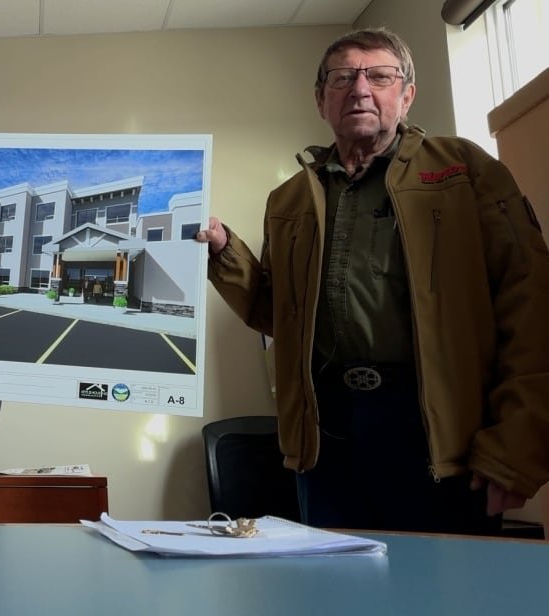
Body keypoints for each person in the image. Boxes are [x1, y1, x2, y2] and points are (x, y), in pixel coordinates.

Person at [198, 28, 549, 535]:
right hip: (326, 433)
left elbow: (531, 303)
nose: (360, 88)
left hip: (436, 434)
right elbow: (281, 316)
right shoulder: (290, 198)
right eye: (342, 78)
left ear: (406, 95)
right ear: (321, 100)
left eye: (379, 75)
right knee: (336, 594)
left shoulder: (464, 171)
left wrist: (518, 446)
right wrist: (225, 252)